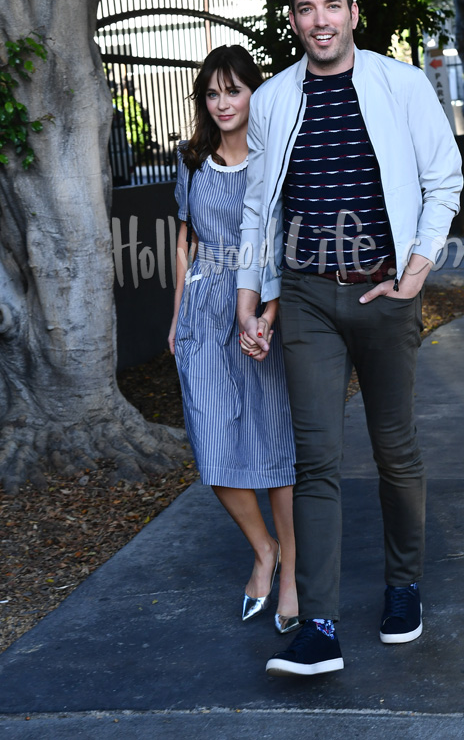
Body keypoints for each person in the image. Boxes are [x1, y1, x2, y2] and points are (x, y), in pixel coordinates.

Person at [236, 0, 463, 676]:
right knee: (317, 460)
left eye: (332, 6)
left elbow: (443, 177)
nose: (320, 21)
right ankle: (320, 624)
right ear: (294, 18)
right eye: (306, 9)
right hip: (307, 296)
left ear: (353, 12)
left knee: (395, 448)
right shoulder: (274, 99)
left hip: (385, 294)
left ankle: (404, 586)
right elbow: (258, 206)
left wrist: (416, 271)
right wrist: (253, 290)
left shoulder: (400, 85)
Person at [169, 45, 300, 635]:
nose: (222, 103)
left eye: (234, 90)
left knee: (274, 454)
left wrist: (268, 314)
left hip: (261, 310)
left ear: (255, 93)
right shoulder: (192, 160)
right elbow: (185, 243)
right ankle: (263, 549)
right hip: (202, 314)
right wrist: (176, 320)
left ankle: (291, 573)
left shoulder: (276, 159)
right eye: (212, 93)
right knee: (214, 450)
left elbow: (282, 244)